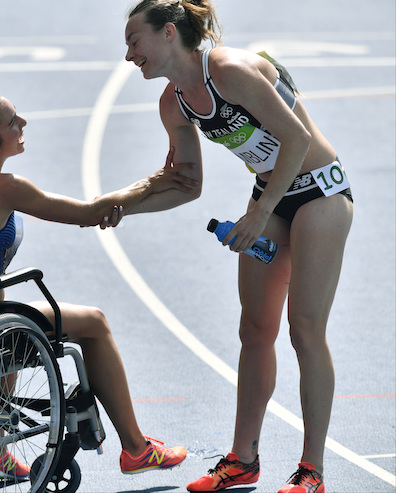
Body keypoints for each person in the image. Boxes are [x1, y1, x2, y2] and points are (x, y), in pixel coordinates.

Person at [122, 1, 354, 492]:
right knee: (255, 330)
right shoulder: (174, 103)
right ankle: (242, 459)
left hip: (318, 192)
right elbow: (186, 183)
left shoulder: (228, 70)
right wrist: (122, 206)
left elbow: (295, 139)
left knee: (304, 330)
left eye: (133, 41)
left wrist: (261, 212)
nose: (128, 55)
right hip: (269, 199)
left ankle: (312, 471)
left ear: (168, 34)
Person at [0, 86, 200, 480]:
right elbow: (90, 213)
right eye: (12, 121)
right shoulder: (3, 188)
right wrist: (155, 180)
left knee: (2, 304)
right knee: (94, 322)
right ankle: (136, 448)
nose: (23, 123)